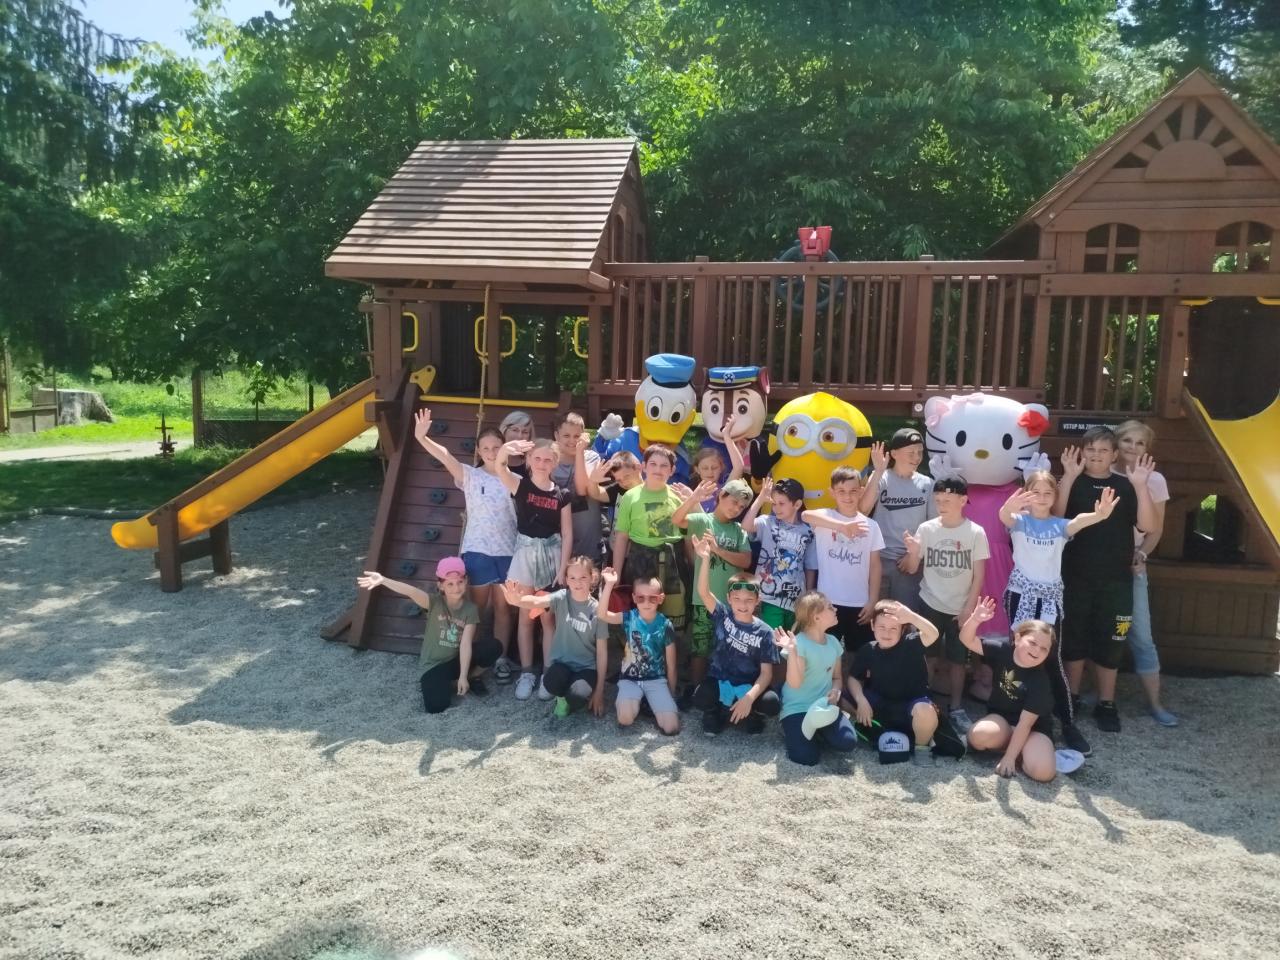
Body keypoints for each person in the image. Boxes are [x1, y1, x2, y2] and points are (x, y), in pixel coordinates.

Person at [999, 470, 1117, 756]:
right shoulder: (1019, 521)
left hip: (1050, 599)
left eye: (1047, 493)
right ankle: (1011, 715)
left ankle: (1066, 723)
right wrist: (1008, 506)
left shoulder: (1060, 526)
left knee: (1052, 660)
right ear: (1026, 494)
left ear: (1055, 497)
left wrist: (1099, 515)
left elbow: (1078, 522)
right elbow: (1004, 516)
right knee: (1017, 654)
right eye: (1036, 492)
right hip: (1021, 595)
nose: (1041, 498)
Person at [1055, 427, 1157, 734]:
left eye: (1103, 450)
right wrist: (1068, 477)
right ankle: (1071, 698)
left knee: (1111, 643)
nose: (1096, 455)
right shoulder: (1072, 482)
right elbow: (1056, 520)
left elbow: (1148, 525)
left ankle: (1107, 703)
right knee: (1073, 641)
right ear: (1082, 452)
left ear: (1114, 455)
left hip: (1116, 581)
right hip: (1075, 577)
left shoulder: (1126, 485)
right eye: (1090, 449)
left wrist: (1140, 486)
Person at [412, 409, 519, 684]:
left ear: (504, 448)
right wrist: (422, 438)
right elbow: (445, 456)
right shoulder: (470, 475)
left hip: (508, 551)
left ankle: (500, 660)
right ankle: (472, 661)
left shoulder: (515, 479)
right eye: (486, 448)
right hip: (478, 552)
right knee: (476, 610)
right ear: (479, 451)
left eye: (496, 447)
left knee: (504, 609)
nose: (491, 452)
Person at [903, 476, 989, 735]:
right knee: (927, 657)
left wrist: (968, 610)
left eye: (947, 500)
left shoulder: (976, 532)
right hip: (930, 602)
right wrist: (913, 551)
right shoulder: (926, 529)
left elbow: (979, 576)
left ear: (963, 500)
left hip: (960, 607)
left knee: (958, 661)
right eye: (938, 500)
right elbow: (912, 569)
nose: (941, 505)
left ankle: (956, 707)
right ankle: (923, 702)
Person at [356, 558, 497, 714]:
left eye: (460, 582)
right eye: (450, 584)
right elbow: (411, 591)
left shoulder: (470, 609)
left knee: (493, 647)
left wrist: (463, 676)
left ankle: (469, 678)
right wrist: (383, 580)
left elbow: (465, 644)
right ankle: (450, 684)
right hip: (434, 665)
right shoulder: (434, 602)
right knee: (436, 706)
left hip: (456, 660)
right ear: (441, 585)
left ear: (466, 581)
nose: (456, 588)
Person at [495, 437, 573, 702]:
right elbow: (500, 468)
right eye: (537, 458)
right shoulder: (520, 486)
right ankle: (527, 672)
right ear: (528, 460)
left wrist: (562, 568)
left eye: (548, 459)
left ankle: (548, 674)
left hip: (551, 556)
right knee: (525, 616)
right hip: (525, 555)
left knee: (548, 619)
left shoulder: (562, 494)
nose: (542, 463)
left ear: (555, 463)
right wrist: (505, 450)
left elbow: (567, 533)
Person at [1114, 419, 1179, 726]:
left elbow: (1156, 529)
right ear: (1117, 442)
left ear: (1147, 448)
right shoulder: (1101, 471)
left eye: (1140, 442)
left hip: (1133, 565)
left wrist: (1141, 555)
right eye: (1127, 440)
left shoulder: (1156, 480)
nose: (1133, 447)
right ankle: (1099, 694)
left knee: (1141, 634)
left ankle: (1155, 703)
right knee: (1098, 630)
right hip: (1099, 563)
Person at [689, 533, 781, 735]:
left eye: (749, 600)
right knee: (701, 696)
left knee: (771, 702)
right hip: (720, 679)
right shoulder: (723, 615)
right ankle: (716, 711)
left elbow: (767, 674)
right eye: (737, 598)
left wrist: (749, 697)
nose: (742, 604)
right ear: (729, 599)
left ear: (757, 601)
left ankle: (753, 713)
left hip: (748, 684)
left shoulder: (765, 632)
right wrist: (705, 558)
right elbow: (704, 592)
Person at [959, 598, 1058, 783]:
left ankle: (1021, 751)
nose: (1037, 651)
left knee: (1043, 773)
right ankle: (1011, 747)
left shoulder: (1040, 681)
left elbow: (1025, 724)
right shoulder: (1002, 650)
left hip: (1032, 730)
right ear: (1017, 638)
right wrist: (975, 619)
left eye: (1044, 649)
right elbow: (966, 639)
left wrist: (1009, 758)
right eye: (1032, 643)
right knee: (978, 737)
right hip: (1002, 721)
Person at [673, 477, 754, 695]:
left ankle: (722, 692)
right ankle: (697, 691)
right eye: (734, 501)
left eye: (741, 506)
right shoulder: (703, 520)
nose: (736, 508)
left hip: (732, 604)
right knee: (700, 647)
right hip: (703, 599)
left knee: (727, 647)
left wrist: (718, 550)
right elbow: (677, 519)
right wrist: (693, 498)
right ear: (721, 496)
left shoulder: (738, 530)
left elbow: (746, 560)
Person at [502, 556, 608, 718]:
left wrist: (599, 692)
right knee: (551, 682)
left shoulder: (598, 610)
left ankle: (572, 696)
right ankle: (561, 698)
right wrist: (519, 600)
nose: (577, 582)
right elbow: (537, 601)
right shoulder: (561, 597)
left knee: (578, 695)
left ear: (592, 578)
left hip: (586, 668)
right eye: (572, 577)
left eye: (583, 577)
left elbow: (602, 653)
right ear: (566, 579)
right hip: (562, 665)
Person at [844, 600, 942, 754]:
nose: (886, 633)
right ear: (872, 625)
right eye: (881, 627)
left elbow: (933, 634)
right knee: (839, 697)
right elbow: (853, 678)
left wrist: (911, 616)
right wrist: (861, 700)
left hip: (911, 706)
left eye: (893, 628)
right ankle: (866, 721)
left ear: (902, 630)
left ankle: (921, 747)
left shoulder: (911, 644)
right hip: (880, 703)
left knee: (925, 711)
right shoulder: (868, 649)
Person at [611, 445, 692, 630]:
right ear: (643, 466)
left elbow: (687, 536)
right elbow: (622, 536)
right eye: (653, 464)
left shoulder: (679, 496)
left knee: (673, 618)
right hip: (640, 563)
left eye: (664, 465)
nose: (658, 469)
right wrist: (616, 573)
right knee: (642, 615)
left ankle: (671, 648)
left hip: (674, 563)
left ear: (672, 470)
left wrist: (693, 567)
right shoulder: (630, 497)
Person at [774, 591, 858, 765]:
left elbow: (837, 678)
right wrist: (792, 652)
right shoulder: (799, 643)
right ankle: (788, 727)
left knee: (848, 742)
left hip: (823, 707)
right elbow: (795, 683)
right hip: (797, 708)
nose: (835, 609)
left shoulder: (833, 642)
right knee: (807, 758)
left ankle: (817, 731)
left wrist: (836, 691)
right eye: (830, 607)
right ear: (816, 617)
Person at [806, 466, 884, 652]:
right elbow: (805, 515)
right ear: (832, 492)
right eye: (841, 491)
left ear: (861, 491)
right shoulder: (826, 517)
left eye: (853, 491)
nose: (847, 496)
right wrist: (842, 527)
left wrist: (873, 600)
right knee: (824, 653)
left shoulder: (872, 526)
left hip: (860, 604)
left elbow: (875, 566)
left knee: (861, 654)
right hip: (827, 603)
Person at [858, 429, 937, 608]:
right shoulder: (881, 478)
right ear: (894, 453)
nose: (916, 457)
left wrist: (913, 554)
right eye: (911, 452)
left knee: (904, 617)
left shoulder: (928, 484)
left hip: (909, 563)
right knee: (876, 615)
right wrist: (878, 471)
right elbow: (863, 510)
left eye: (919, 452)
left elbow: (933, 525)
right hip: (879, 560)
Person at [596, 570, 680, 734]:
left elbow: (671, 665)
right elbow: (602, 615)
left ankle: (648, 701)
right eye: (641, 598)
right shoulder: (629, 617)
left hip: (656, 680)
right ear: (634, 598)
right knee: (625, 719)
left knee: (672, 727)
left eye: (652, 598)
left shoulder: (665, 625)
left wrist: (671, 694)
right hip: (630, 679)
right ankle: (640, 701)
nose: (646, 602)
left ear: (661, 598)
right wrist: (609, 584)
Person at [740, 477, 817, 630]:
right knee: (772, 637)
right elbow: (746, 526)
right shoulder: (767, 522)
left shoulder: (808, 531)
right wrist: (760, 499)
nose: (776, 508)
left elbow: (810, 565)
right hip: (768, 597)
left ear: (797, 504)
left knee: (791, 640)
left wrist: (808, 594)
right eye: (774, 503)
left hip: (796, 599)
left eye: (781, 504)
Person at [550, 413, 605, 563]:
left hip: (588, 543)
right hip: (556, 544)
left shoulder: (592, 457)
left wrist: (580, 453)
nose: (572, 441)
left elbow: (582, 490)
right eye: (566, 436)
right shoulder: (548, 459)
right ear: (556, 435)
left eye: (577, 436)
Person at [498, 410, 535, 476]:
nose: (519, 436)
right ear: (504, 431)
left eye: (525, 432)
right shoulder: (491, 457)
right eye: (515, 430)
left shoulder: (533, 463)